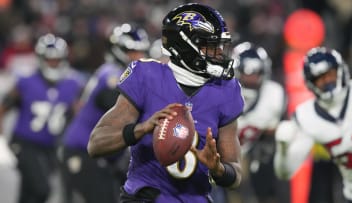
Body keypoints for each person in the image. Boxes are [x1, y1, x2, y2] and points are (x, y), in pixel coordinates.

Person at [87, 3, 244, 203]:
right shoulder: (146, 76)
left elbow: (236, 173)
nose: (219, 53)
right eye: (210, 46)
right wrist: (141, 129)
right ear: (186, 45)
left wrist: (218, 169)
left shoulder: (226, 89)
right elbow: (96, 144)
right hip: (147, 197)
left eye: (220, 46)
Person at [61, 23, 150, 203]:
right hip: (84, 151)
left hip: (102, 154)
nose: (138, 56)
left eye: (141, 51)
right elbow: (123, 110)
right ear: (118, 50)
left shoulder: (116, 73)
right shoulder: (111, 75)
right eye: (132, 51)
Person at [0, 33, 84, 203]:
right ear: (40, 59)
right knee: (41, 188)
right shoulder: (25, 81)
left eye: (57, 60)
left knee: (29, 192)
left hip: (51, 146)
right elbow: (3, 108)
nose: (53, 63)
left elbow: (79, 116)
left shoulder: (73, 84)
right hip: (24, 143)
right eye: (49, 59)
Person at [274, 47, 352, 203]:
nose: (327, 81)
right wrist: (283, 148)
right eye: (319, 78)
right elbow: (285, 172)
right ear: (310, 83)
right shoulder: (308, 117)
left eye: (330, 74)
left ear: (341, 70)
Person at [231, 42, 289, 203]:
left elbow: (279, 131)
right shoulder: (221, 92)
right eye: (246, 73)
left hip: (256, 156)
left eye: (255, 73)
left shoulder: (273, 95)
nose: (250, 78)